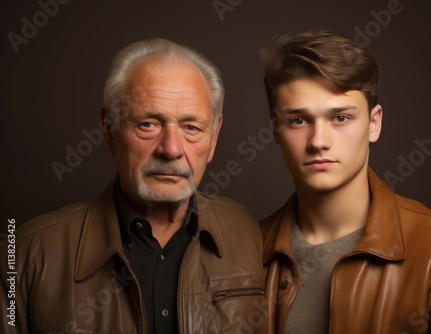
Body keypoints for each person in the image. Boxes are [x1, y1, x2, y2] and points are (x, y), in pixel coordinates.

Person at [0, 38, 266, 334]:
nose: (171, 149)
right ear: (109, 130)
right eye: (148, 124)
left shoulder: (248, 232)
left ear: (213, 138)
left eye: (191, 127)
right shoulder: (22, 255)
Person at [258, 30, 431, 333]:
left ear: (374, 124)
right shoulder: (244, 252)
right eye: (299, 120)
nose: (318, 141)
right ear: (275, 128)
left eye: (341, 118)